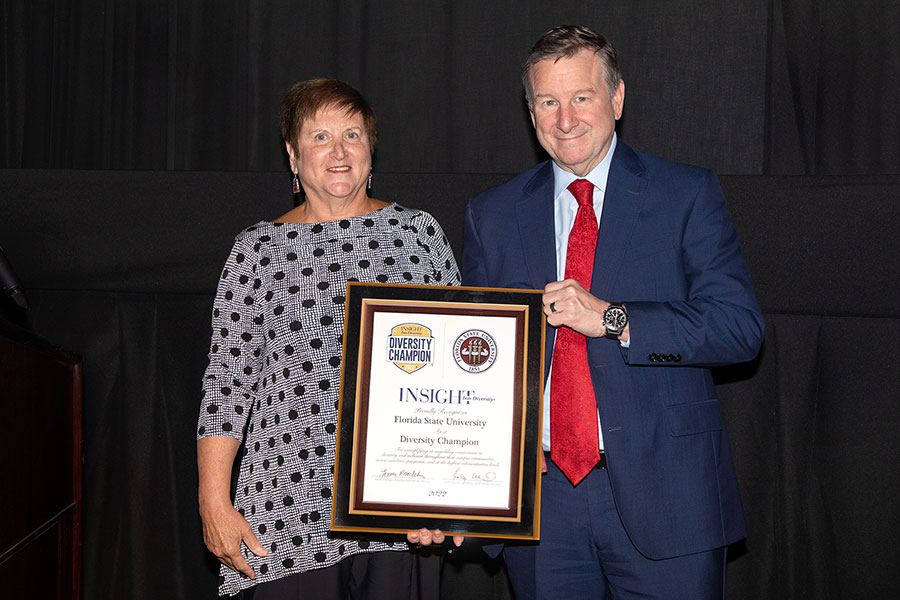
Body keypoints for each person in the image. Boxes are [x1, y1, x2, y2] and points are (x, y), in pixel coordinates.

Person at [434, 25, 765, 599]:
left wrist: (614, 319)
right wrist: (455, 486)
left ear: (616, 99)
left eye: (581, 98)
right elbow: (473, 364)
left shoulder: (684, 194)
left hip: (667, 493)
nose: (566, 119)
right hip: (543, 504)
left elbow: (739, 330)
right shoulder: (493, 214)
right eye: (548, 102)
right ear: (530, 109)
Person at [197, 78, 461, 598]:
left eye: (352, 135)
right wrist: (212, 500)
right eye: (320, 138)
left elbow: (458, 376)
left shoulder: (417, 235)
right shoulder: (256, 251)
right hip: (285, 513)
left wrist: (447, 496)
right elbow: (227, 384)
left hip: (397, 515)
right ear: (293, 157)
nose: (339, 152)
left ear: (370, 149)